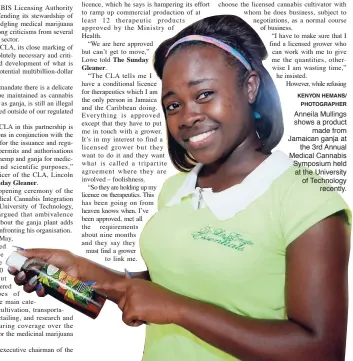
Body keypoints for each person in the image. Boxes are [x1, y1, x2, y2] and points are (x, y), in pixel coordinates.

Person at [9, 15, 351, 361]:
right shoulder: (176, 189)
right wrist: (83, 271)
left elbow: (320, 350)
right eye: (173, 105)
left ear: (250, 87)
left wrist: (178, 309)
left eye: (204, 94)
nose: (187, 117)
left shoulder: (306, 198)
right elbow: (180, 282)